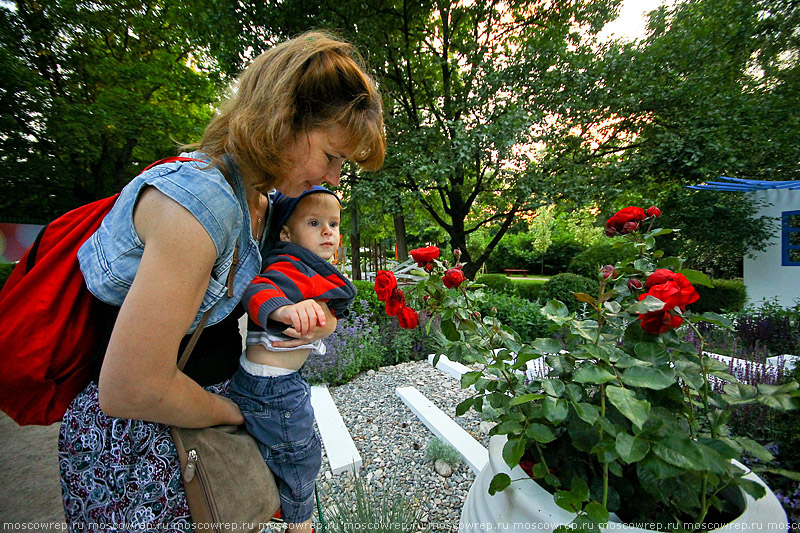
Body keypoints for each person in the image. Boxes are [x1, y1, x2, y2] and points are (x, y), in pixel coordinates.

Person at [58, 31, 385, 528]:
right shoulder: (201, 204)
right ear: (284, 120)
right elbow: (130, 388)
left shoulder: (261, 202)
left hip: (187, 430)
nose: (333, 178)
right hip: (143, 452)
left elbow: (284, 285)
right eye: (332, 156)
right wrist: (238, 414)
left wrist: (316, 324)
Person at [230, 186, 356, 532]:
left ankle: (273, 495)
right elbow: (258, 290)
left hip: (273, 380)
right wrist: (285, 309)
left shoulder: (307, 267)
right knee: (301, 454)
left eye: (333, 223)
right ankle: (299, 522)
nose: (327, 231)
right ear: (286, 233)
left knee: (281, 444)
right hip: (273, 386)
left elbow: (329, 314)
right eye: (314, 223)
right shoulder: (289, 265)